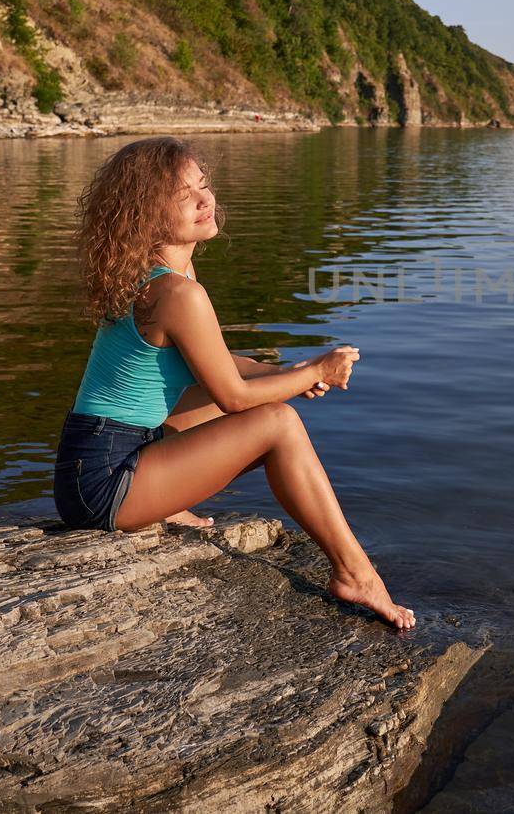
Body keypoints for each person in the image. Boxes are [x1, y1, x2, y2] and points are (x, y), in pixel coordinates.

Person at [54, 136, 414, 629]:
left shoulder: (154, 275)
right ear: (146, 213)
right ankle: (355, 573)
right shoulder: (178, 293)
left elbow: (217, 363)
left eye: (205, 186)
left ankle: (166, 500)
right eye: (187, 195)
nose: (207, 201)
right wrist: (312, 374)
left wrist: (286, 373)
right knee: (279, 424)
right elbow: (234, 395)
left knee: (237, 399)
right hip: (104, 481)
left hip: (95, 456)